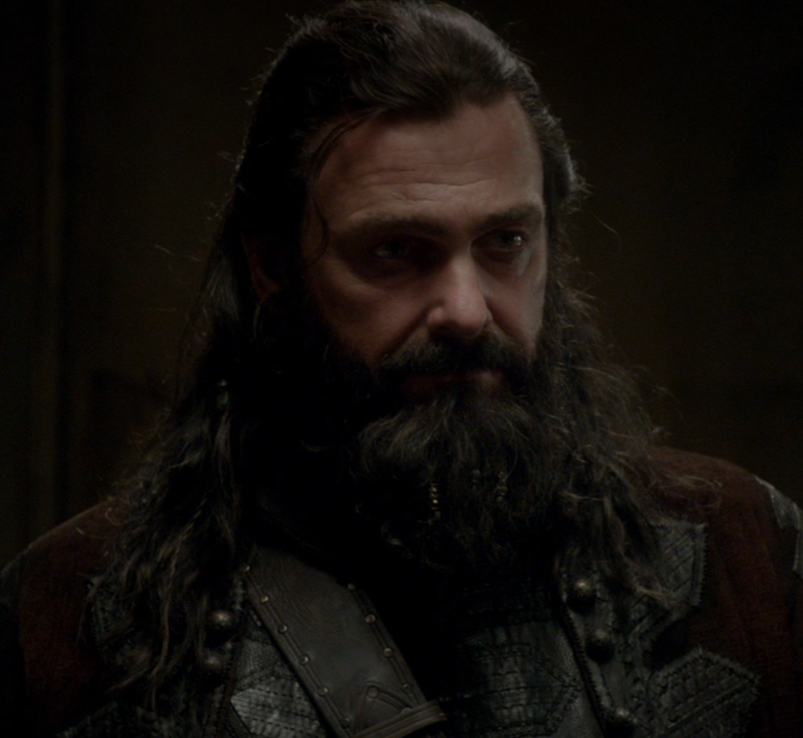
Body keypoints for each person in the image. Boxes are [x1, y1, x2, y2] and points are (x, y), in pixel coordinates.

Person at [2, 1, 802, 736]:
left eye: (505, 243)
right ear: (274, 264)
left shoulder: (745, 558)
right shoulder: (65, 615)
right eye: (394, 251)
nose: (466, 309)